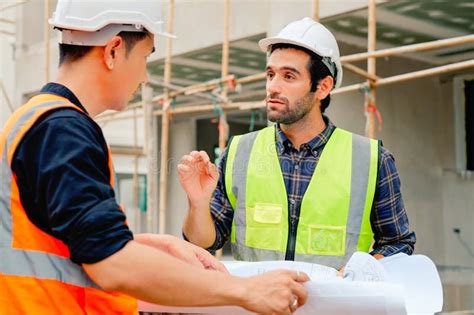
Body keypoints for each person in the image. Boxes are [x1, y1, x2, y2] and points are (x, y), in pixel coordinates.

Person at [0, 1, 309, 314]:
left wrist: (149, 245)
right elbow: (112, 264)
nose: (145, 75)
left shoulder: (37, 119)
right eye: (146, 57)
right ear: (113, 51)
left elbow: (64, 240)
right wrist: (244, 290)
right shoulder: (62, 130)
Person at [180, 17, 416, 269]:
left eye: (289, 76)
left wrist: (360, 270)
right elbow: (204, 243)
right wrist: (198, 203)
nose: (273, 87)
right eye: (270, 74)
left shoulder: (371, 160)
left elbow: (398, 243)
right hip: (257, 306)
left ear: (323, 87)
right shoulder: (239, 152)